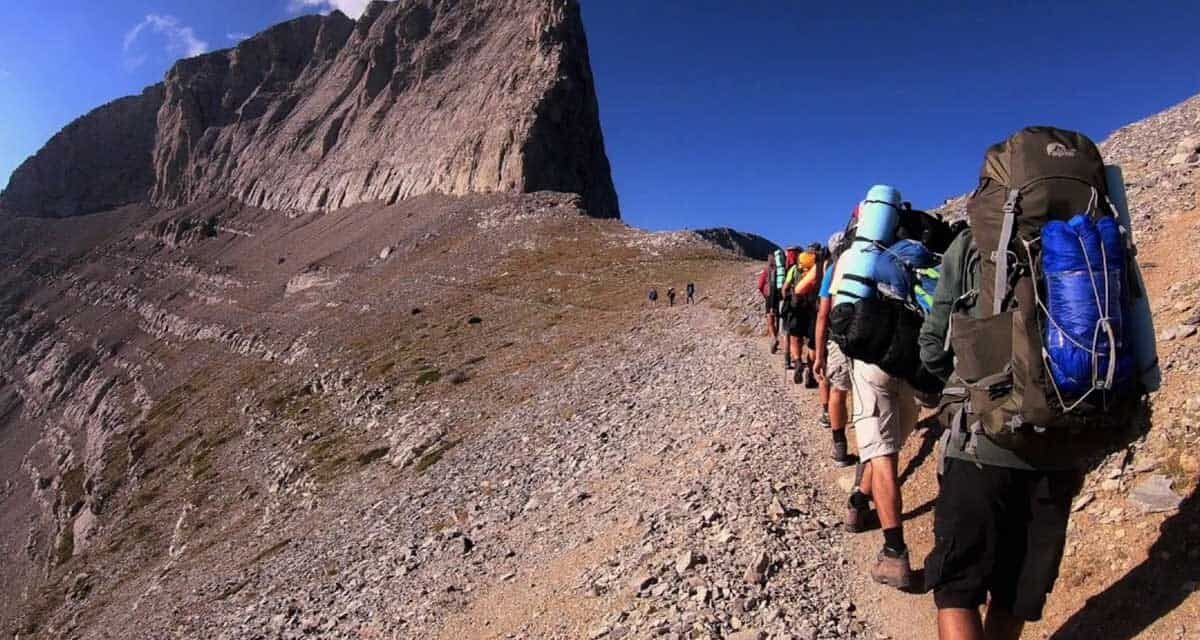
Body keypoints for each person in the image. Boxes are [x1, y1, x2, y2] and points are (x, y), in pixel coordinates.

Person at [919, 227, 1087, 640]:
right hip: (1061, 444)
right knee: (1015, 593)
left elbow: (933, 346)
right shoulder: (1091, 235)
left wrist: (966, 384)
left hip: (981, 440)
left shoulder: (973, 239)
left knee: (957, 590)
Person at [828, 219, 919, 590]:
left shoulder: (853, 258)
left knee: (881, 453)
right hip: (911, 356)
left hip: (870, 361)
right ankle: (859, 500)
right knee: (886, 444)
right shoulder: (912, 252)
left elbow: (833, 310)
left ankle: (894, 552)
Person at [813, 232, 855, 467]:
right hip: (871, 335)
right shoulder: (867, 259)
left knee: (838, 391)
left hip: (840, 339)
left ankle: (840, 447)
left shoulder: (833, 269)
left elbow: (822, 315)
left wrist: (819, 355)